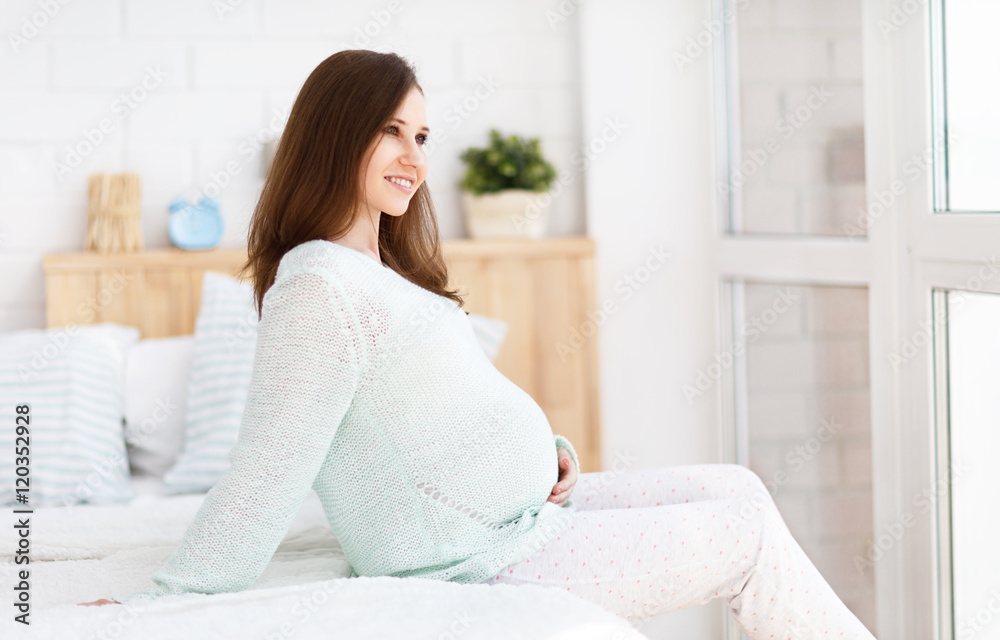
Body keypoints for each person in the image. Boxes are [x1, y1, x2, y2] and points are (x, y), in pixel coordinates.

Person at [79, 49, 878, 640]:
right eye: (391, 132)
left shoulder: (374, 270)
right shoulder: (319, 286)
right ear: (333, 137)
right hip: (478, 557)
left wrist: (550, 454)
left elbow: (444, 408)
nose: (415, 159)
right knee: (742, 536)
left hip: (528, 512)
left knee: (737, 483)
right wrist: (169, 600)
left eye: (422, 136)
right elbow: (269, 466)